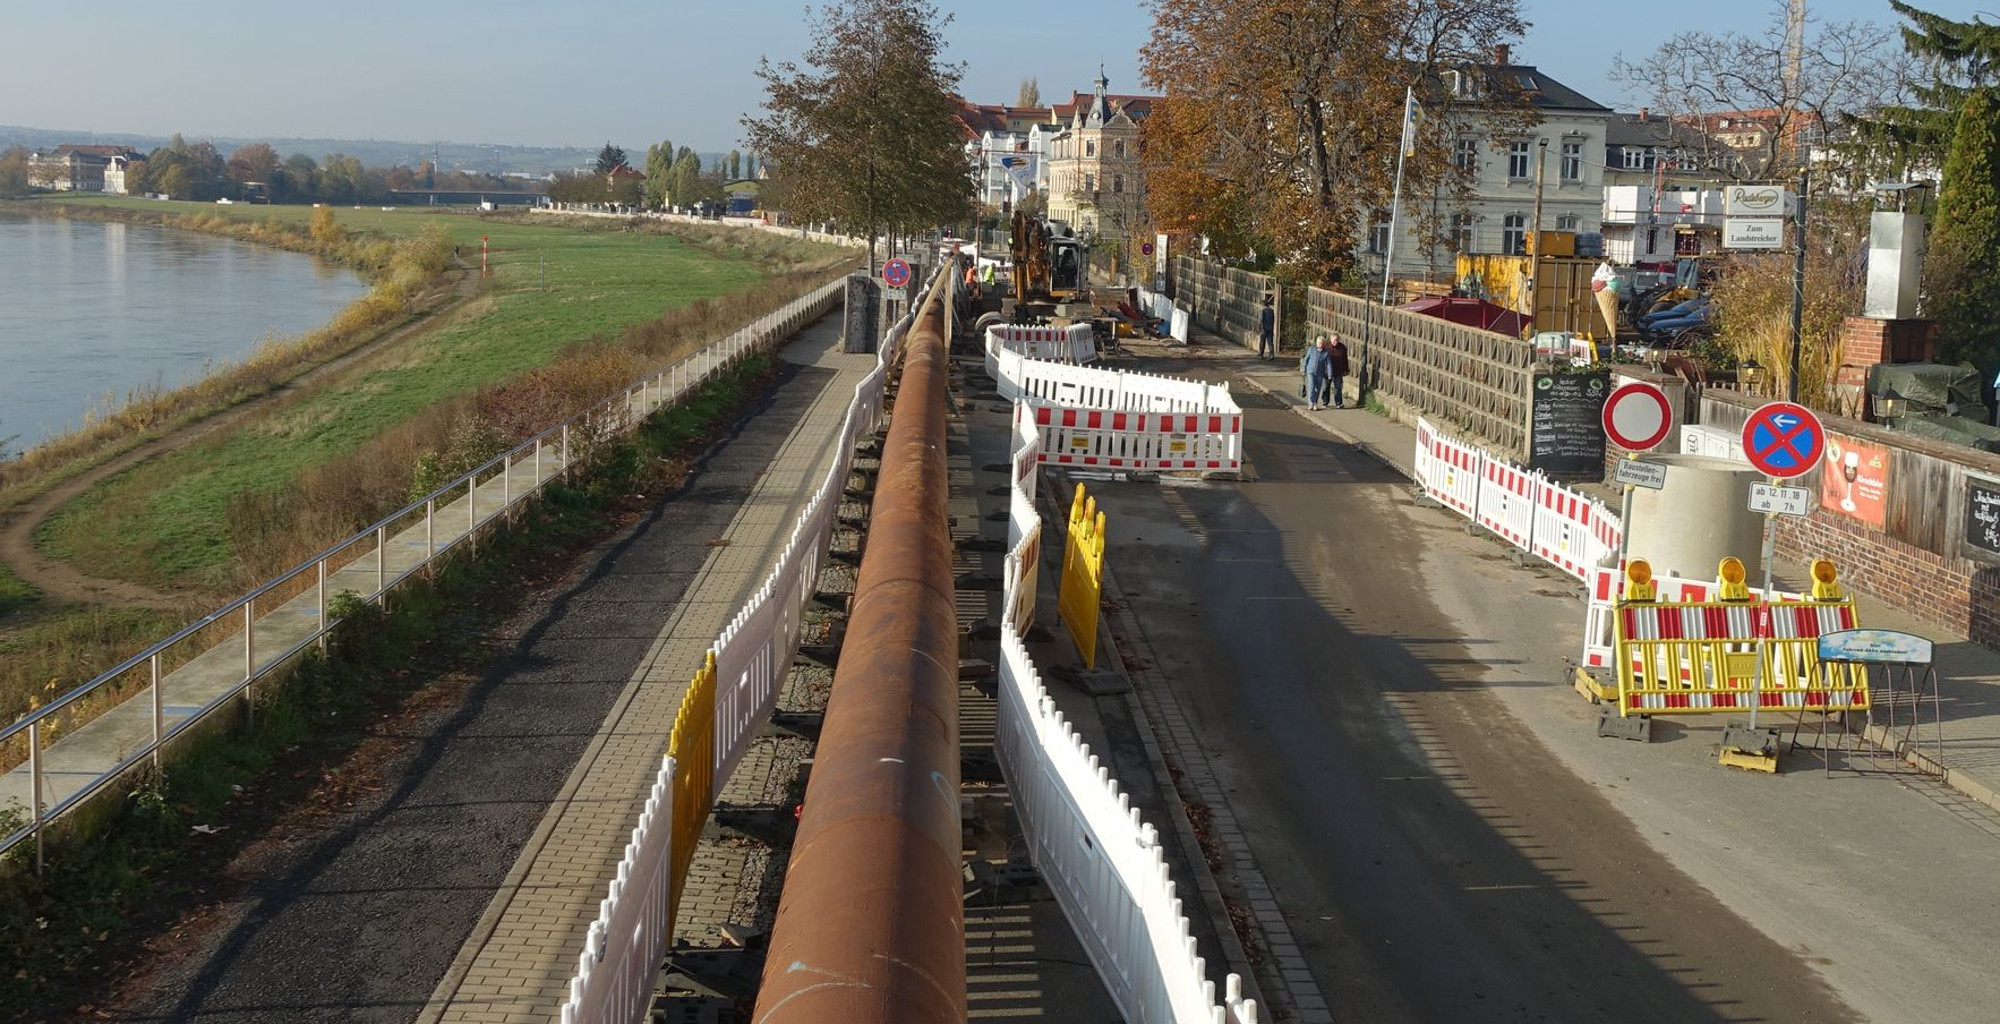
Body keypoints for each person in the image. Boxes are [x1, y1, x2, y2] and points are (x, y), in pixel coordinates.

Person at [1303, 336, 1333, 410]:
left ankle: (1315, 402)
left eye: (1322, 343)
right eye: (1319, 343)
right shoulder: (1311, 349)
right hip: (1311, 371)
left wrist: (1329, 374)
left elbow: (1329, 364)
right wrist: (1303, 369)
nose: (1321, 345)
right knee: (1311, 386)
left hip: (1320, 372)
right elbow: (1306, 359)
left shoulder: (1326, 353)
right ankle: (1311, 403)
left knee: (1318, 388)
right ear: (1317, 343)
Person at [1326, 334, 1351, 408]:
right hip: (1327, 371)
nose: (1335, 342)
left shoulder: (1342, 347)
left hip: (1338, 370)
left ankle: (1338, 403)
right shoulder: (1327, 347)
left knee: (1338, 387)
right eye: (1334, 340)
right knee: (1326, 387)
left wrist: (1345, 370)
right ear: (1331, 340)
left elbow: (1345, 359)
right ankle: (1325, 402)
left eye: (1337, 340)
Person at [1258, 294, 1276, 359]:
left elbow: (1261, 319)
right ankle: (1271, 354)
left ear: (1262, 304)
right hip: (1270, 328)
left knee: (1262, 341)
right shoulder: (1271, 310)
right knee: (1270, 342)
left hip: (1264, 328)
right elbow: (1273, 319)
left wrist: (1260, 328)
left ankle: (1261, 353)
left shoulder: (1262, 310)